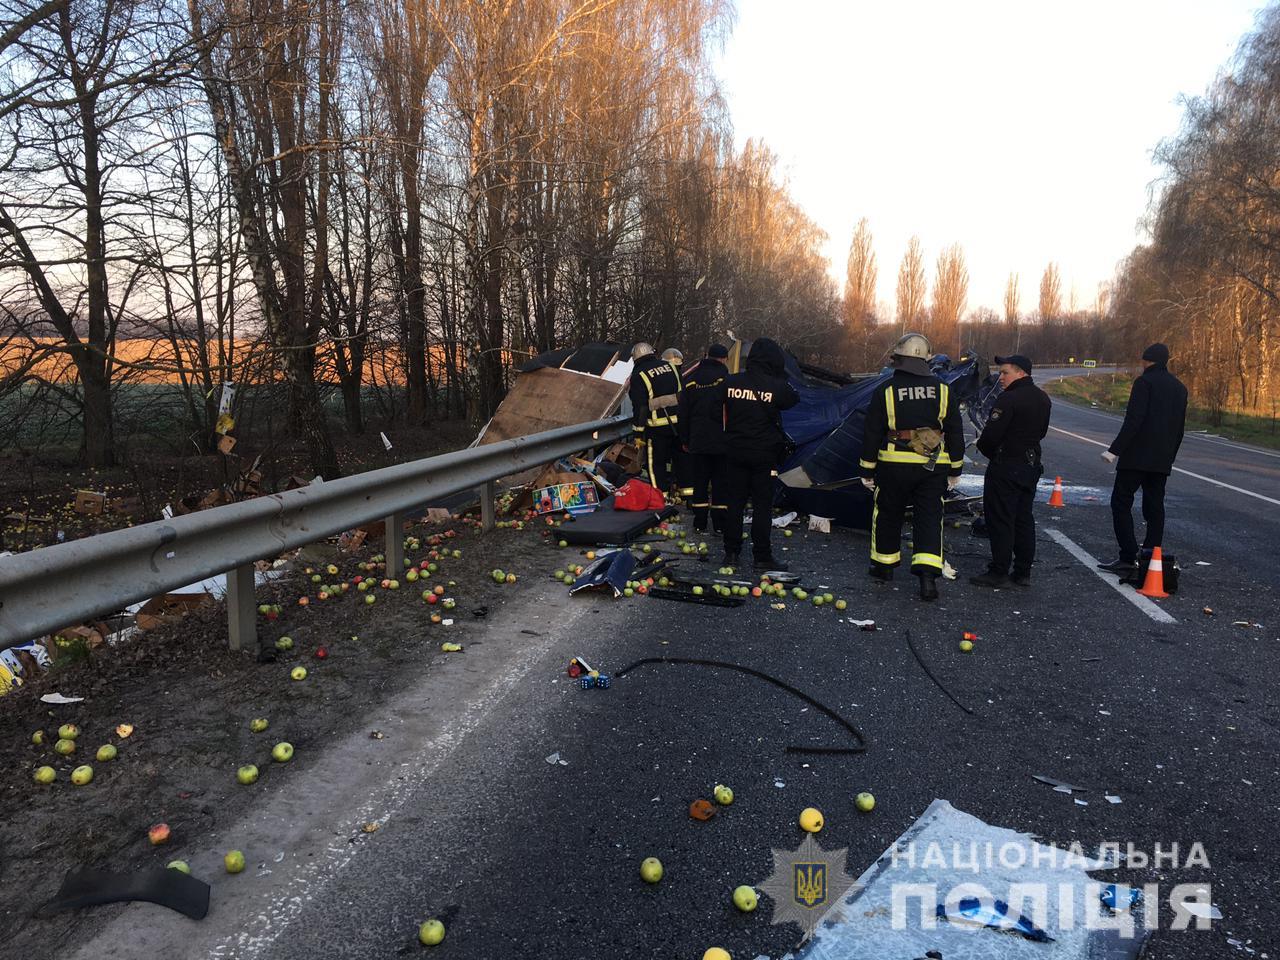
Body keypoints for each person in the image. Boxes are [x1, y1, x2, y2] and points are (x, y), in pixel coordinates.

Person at [858, 332, 965, 601]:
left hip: (894, 464)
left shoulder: (885, 390)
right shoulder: (943, 390)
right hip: (933, 467)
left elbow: (872, 431)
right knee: (929, 518)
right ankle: (928, 579)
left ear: (899, 358)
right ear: (927, 359)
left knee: (887, 514)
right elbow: (954, 432)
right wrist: (956, 469)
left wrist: (866, 469)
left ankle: (884, 567)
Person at [1097, 343, 1188, 575]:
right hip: (1161, 460)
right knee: (1155, 506)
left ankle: (1128, 556)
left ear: (1147, 361)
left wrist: (1114, 450)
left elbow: (1134, 420)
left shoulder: (1144, 383)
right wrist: (1170, 456)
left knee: (1121, 502)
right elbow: (1180, 429)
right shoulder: (1180, 388)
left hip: (1136, 457)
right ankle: (1150, 556)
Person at [969, 354, 1052, 588]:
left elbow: (990, 437)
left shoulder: (1009, 399)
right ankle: (1023, 571)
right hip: (1030, 465)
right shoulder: (1043, 398)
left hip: (1007, 467)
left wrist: (994, 455)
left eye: (1005, 372)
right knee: (1023, 518)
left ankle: (999, 571)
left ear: (1021, 373)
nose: (1001, 378)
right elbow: (1042, 432)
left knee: (1000, 518)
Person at [718, 338, 798, 570]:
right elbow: (794, 398)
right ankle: (762, 556)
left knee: (735, 504)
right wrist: (777, 379)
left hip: (735, 452)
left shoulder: (730, 382)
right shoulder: (778, 387)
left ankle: (731, 554)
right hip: (765, 455)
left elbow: (715, 404)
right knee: (762, 506)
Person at [677, 344, 730, 533]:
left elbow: (683, 413)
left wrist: (685, 439)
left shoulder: (691, 380)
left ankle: (699, 523)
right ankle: (720, 524)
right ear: (724, 359)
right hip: (721, 441)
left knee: (699, 481)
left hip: (697, 440)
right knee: (720, 482)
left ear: (707, 356)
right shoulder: (727, 380)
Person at [628, 342, 683, 494]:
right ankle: (686, 494)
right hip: (679, 424)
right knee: (680, 459)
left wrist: (638, 433)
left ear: (635, 358)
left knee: (655, 463)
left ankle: (661, 496)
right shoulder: (670, 366)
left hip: (657, 427)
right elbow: (681, 394)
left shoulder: (639, 374)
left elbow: (640, 407)